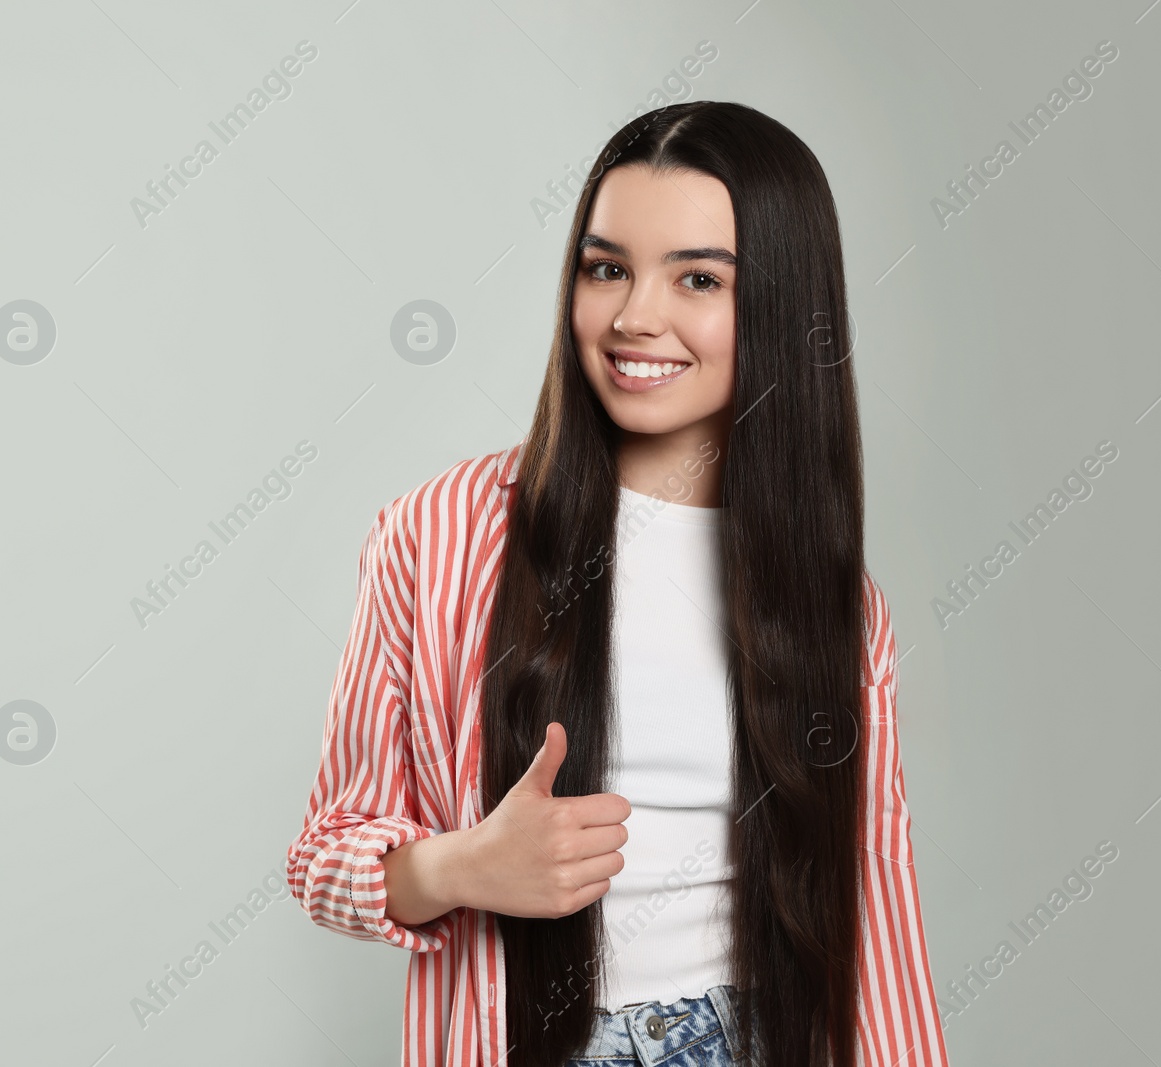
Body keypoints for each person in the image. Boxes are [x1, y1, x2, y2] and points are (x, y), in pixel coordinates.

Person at [285, 100, 949, 1067]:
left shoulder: (838, 601)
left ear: (781, 304)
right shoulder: (435, 536)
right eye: (607, 269)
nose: (637, 316)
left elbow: (876, 900)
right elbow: (323, 854)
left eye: (699, 278)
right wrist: (463, 864)